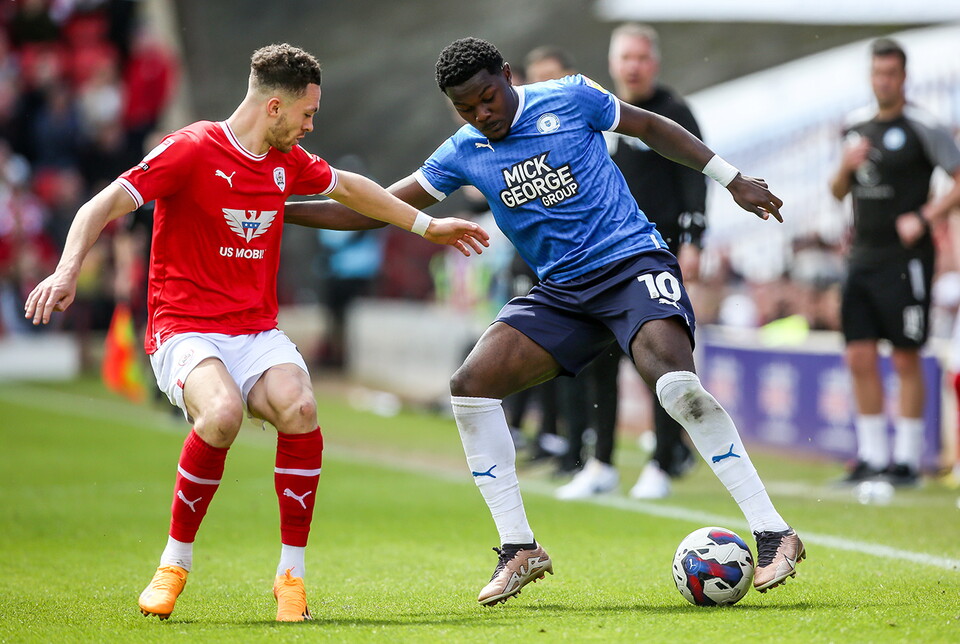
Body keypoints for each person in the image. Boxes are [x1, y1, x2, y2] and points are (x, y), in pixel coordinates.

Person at [285, 36, 803, 605]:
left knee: (676, 385)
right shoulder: (462, 151)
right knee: (471, 386)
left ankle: (775, 532)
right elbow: (373, 207)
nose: (484, 115)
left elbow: (651, 127)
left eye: (488, 98)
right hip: (562, 292)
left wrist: (732, 179)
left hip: (630, 263)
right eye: (467, 109)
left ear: (509, 76)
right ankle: (519, 548)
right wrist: (276, 209)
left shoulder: (571, 96)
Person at [23, 43, 488, 622]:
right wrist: (67, 270)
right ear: (274, 107)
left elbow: (351, 187)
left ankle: (291, 574)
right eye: (307, 113)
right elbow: (100, 206)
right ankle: (175, 562)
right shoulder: (190, 149)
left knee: (300, 407)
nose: (311, 125)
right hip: (185, 327)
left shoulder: (285, 159)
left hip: (255, 330)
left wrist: (427, 225)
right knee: (221, 416)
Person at [829, 38, 960, 487]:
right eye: (877, 74)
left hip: (907, 260)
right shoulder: (854, 125)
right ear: (871, 77)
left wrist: (925, 216)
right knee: (858, 356)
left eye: (891, 74)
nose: (883, 81)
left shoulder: (924, 125)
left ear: (903, 77)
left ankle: (906, 461)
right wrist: (846, 167)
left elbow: (958, 180)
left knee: (905, 357)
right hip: (861, 257)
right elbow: (836, 191)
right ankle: (872, 455)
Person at [604, 22, 707, 500]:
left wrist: (693, 240)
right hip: (605, 256)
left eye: (641, 58)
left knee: (662, 360)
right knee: (601, 357)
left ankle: (663, 462)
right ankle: (599, 463)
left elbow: (696, 174)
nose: (634, 66)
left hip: (657, 253)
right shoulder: (602, 110)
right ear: (613, 62)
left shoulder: (673, 110)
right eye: (626, 57)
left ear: (655, 63)